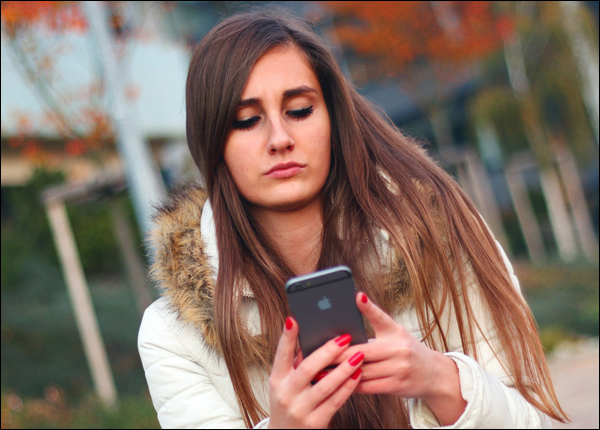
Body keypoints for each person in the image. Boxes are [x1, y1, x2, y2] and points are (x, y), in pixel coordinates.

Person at [138, 8, 568, 429]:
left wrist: (442, 382)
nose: (280, 139)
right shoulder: (173, 337)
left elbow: (539, 421)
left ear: (332, 118)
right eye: (247, 120)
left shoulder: (440, 235)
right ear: (212, 142)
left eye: (300, 110)